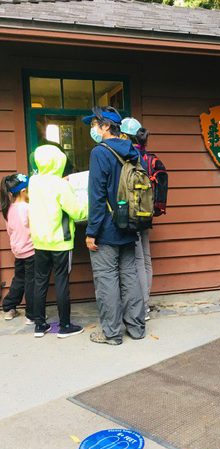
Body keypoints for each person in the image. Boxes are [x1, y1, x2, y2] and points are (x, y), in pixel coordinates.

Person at [83, 106, 145, 346]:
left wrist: (91, 232)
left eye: (94, 124)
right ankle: (137, 328)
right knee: (130, 276)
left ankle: (111, 333)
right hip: (130, 224)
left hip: (107, 228)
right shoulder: (131, 151)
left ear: (106, 126)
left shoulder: (100, 152)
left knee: (106, 278)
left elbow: (97, 196)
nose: (93, 129)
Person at [29, 145, 88, 338]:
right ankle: (64, 326)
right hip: (60, 241)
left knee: (40, 281)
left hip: (39, 240)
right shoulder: (61, 185)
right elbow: (77, 212)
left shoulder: (33, 182)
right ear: (59, 161)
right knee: (62, 281)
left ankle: (39, 325)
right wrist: (91, 206)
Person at [120, 117, 153, 321]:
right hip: (147, 213)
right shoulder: (147, 156)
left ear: (124, 135)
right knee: (146, 258)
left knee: (137, 260)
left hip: (133, 213)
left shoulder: (129, 156)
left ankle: (142, 306)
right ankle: (146, 303)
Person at [1, 174, 35, 324]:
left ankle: (9, 308)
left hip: (18, 252)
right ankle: (32, 314)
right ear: (23, 191)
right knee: (31, 282)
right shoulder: (28, 208)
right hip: (31, 251)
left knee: (19, 280)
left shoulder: (8, 209)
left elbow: (10, 231)